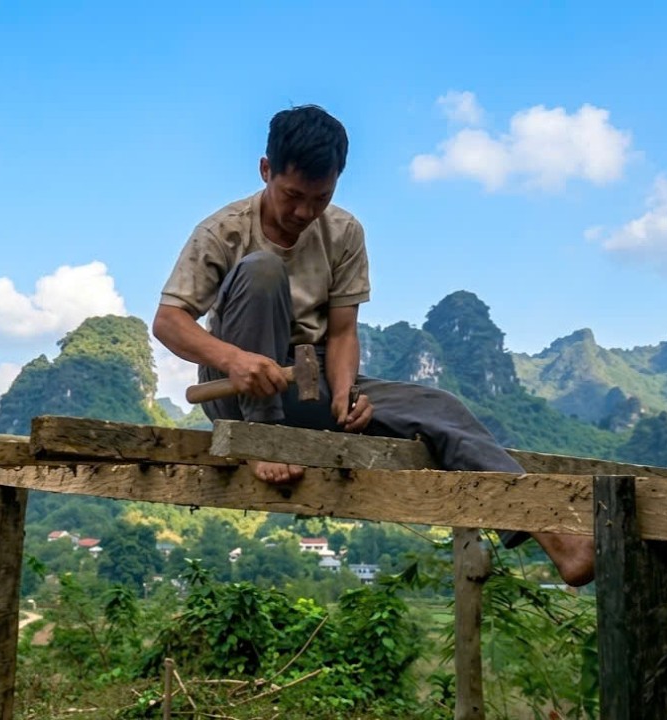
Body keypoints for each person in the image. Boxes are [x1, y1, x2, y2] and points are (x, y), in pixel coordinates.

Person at [151, 104, 594, 586]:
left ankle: (558, 538)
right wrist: (231, 358)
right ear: (266, 171)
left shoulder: (344, 232)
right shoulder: (224, 230)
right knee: (262, 269)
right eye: (292, 195)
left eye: (319, 198)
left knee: (440, 407)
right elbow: (169, 321)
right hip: (235, 392)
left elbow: (341, 333)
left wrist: (344, 397)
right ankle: (263, 442)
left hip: (306, 383)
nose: (303, 212)